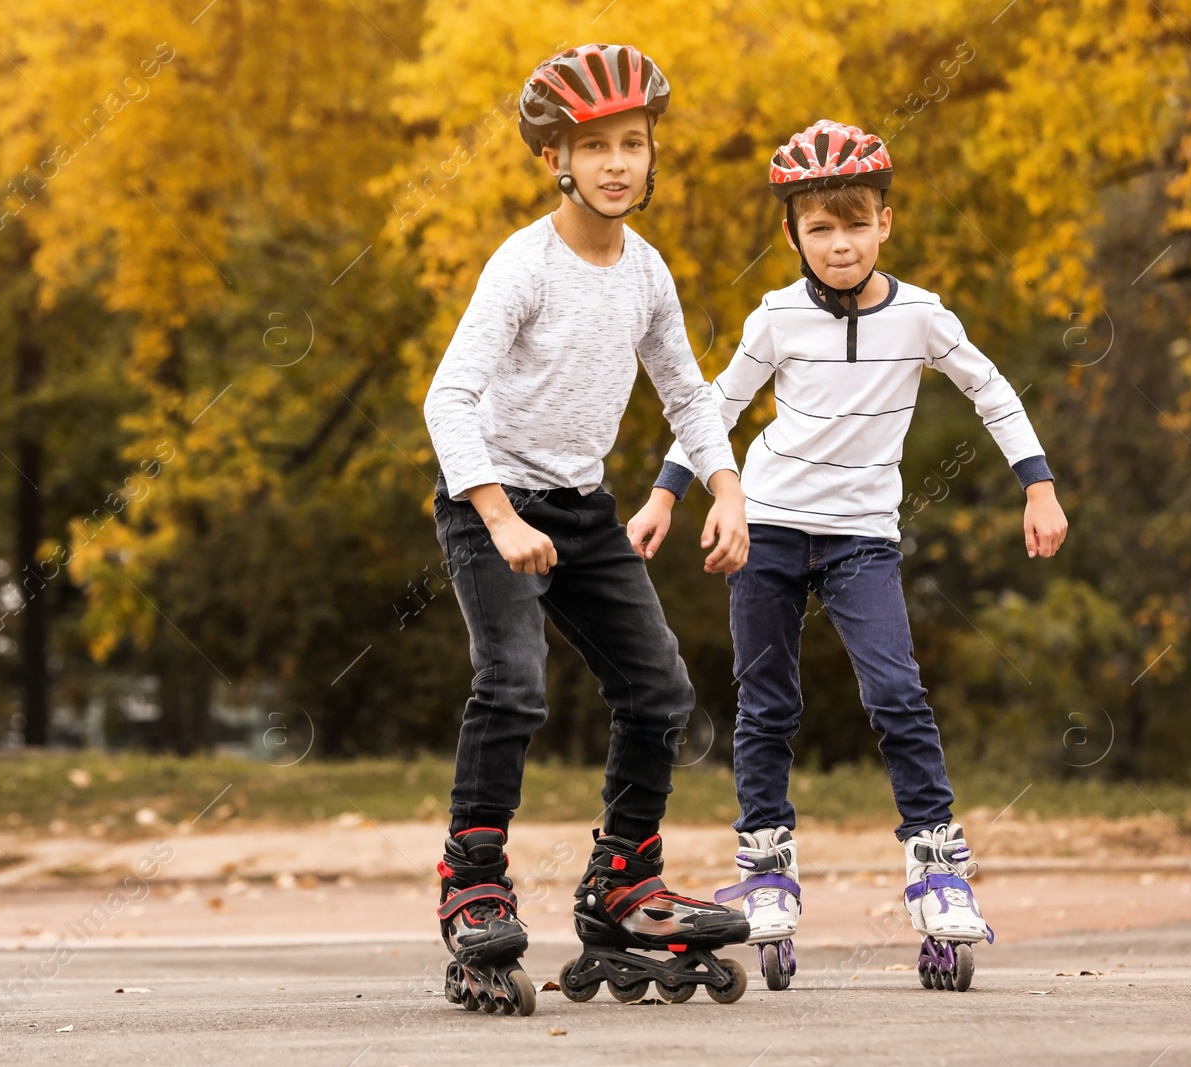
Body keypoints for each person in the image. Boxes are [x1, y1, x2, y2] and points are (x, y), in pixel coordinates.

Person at [626, 119, 1069, 993]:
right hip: (772, 524)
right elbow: (717, 404)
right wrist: (668, 492)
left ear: (885, 223)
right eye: (819, 228)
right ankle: (765, 866)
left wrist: (1039, 483)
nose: (839, 243)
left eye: (855, 223)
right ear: (791, 233)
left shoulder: (921, 316)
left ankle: (938, 866)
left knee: (896, 689)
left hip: (863, 534)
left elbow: (991, 388)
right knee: (766, 701)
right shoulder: (776, 315)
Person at [424, 44, 753, 1012]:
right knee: (513, 682)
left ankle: (622, 880)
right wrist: (496, 516)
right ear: (553, 158)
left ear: (652, 157)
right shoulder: (523, 264)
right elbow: (448, 399)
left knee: (659, 691)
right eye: (593, 146)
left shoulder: (645, 270)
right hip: (490, 502)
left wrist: (724, 485)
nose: (616, 162)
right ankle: (472, 880)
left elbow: (687, 392)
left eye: (633, 144)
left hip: (581, 508)